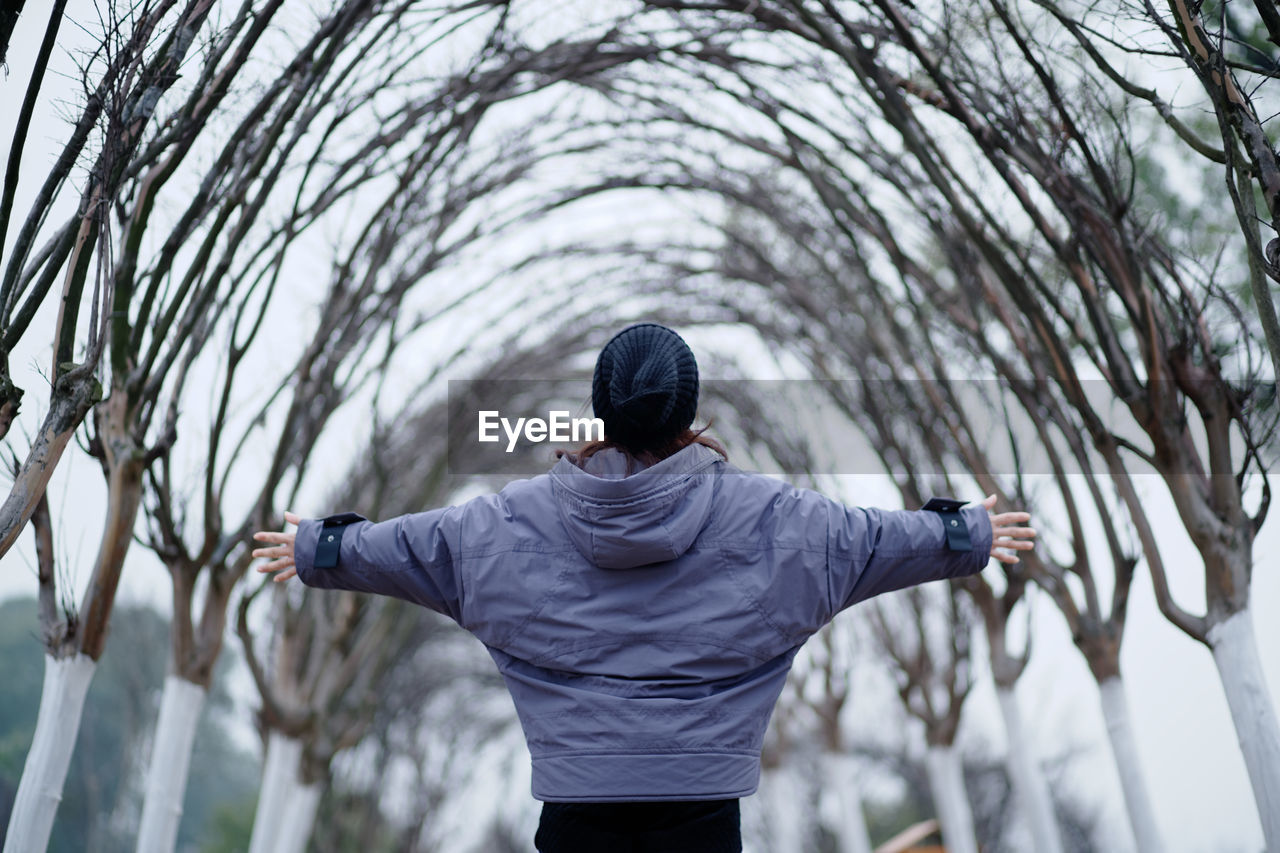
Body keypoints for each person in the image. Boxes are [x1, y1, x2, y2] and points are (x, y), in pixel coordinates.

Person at [252, 322, 1035, 853]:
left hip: (573, 821)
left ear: (602, 406)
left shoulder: (502, 525)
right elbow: (876, 540)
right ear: (689, 408)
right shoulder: (781, 521)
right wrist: (964, 535)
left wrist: (320, 547)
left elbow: (408, 549)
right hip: (703, 823)